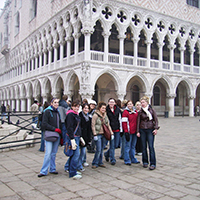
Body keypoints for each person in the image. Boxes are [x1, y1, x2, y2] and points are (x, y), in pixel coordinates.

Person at [38, 98, 62, 177]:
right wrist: (54, 129)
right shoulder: (47, 111)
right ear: (51, 103)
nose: (56, 104)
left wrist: (61, 137)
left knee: (53, 153)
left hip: (56, 135)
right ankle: (43, 171)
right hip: (49, 135)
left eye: (57, 102)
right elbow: (44, 124)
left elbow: (59, 124)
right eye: (55, 102)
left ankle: (52, 168)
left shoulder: (57, 112)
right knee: (48, 153)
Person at [137, 96, 159, 170]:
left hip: (150, 129)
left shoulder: (152, 110)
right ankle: (145, 161)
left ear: (147, 102)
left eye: (143, 102)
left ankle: (153, 163)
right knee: (143, 147)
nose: (142, 104)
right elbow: (138, 122)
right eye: (141, 103)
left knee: (151, 146)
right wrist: (138, 131)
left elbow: (156, 120)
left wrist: (156, 129)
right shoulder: (140, 112)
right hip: (142, 129)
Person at [65, 100, 85, 179]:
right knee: (75, 155)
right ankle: (72, 173)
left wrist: (80, 137)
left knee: (73, 155)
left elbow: (78, 127)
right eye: (75, 106)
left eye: (78, 107)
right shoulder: (70, 115)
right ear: (72, 106)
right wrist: (72, 139)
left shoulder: (76, 114)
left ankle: (71, 170)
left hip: (77, 136)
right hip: (72, 137)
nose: (77, 108)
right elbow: (69, 127)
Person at [91, 101, 114, 169]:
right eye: (102, 108)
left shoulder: (105, 115)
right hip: (98, 134)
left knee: (101, 149)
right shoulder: (95, 115)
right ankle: (95, 162)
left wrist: (111, 133)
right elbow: (93, 125)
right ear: (99, 108)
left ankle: (100, 162)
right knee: (98, 149)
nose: (104, 109)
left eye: (104, 108)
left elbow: (108, 124)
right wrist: (94, 134)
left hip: (104, 134)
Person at [122, 100, 140, 165]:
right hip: (129, 132)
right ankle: (126, 159)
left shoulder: (135, 112)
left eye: (131, 104)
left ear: (133, 105)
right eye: (128, 104)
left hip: (135, 131)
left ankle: (133, 158)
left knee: (133, 146)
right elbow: (124, 122)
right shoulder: (125, 112)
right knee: (127, 146)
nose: (130, 105)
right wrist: (126, 132)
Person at [104, 98, 121, 165]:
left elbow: (119, 118)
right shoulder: (106, 110)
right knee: (112, 144)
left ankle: (106, 153)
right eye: (110, 102)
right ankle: (112, 159)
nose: (111, 103)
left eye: (113, 102)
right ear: (108, 103)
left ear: (115, 103)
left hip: (117, 128)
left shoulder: (117, 109)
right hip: (110, 129)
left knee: (116, 145)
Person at [77, 103, 92, 171]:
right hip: (80, 136)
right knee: (79, 152)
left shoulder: (88, 117)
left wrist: (89, 138)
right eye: (85, 108)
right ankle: (79, 165)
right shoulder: (79, 116)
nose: (86, 110)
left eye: (87, 108)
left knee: (83, 151)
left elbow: (89, 128)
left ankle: (81, 163)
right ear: (82, 108)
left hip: (86, 136)